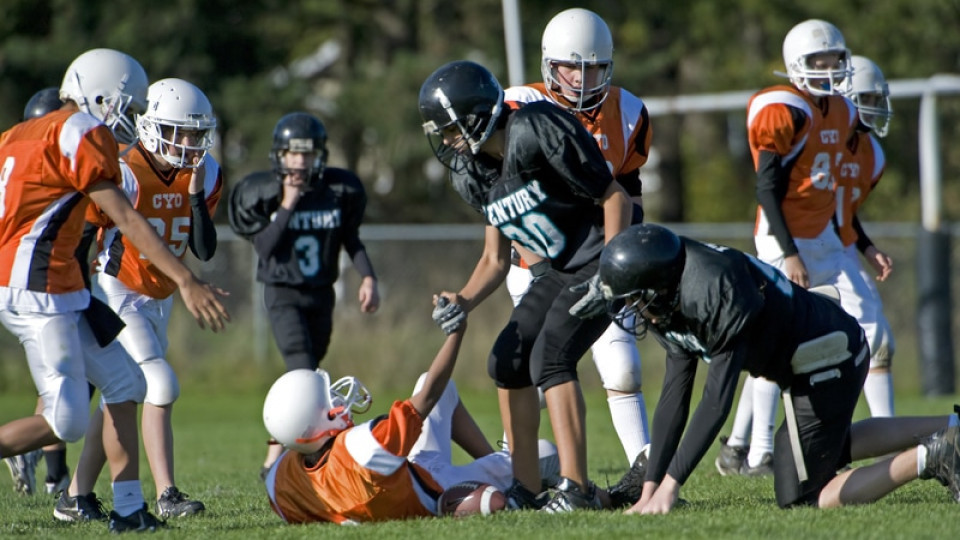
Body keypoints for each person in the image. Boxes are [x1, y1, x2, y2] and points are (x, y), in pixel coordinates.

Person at [0, 48, 230, 533]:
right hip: (40, 290)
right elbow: (124, 217)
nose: (131, 119)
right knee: (69, 423)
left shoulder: (14, 136)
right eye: (129, 106)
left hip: (61, 287)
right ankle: (92, 492)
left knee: (126, 383)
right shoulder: (81, 132)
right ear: (102, 98)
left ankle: (129, 511)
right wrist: (187, 280)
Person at [591, 223, 960, 514]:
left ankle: (933, 456)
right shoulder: (673, 290)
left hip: (827, 357)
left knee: (803, 497)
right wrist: (650, 488)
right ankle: (952, 428)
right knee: (827, 446)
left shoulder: (715, 290)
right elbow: (675, 396)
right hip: (816, 353)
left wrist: (670, 488)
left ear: (657, 287)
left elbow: (716, 402)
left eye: (635, 299)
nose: (632, 310)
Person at [418, 60, 633, 512]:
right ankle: (527, 488)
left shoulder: (536, 128)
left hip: (599, 256)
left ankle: (575, 489)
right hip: (557, 268)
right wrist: (464, 300)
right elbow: (496, 259)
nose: (447, 141)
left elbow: (615, 197)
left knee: (551, 355)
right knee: (507, 361)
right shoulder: (472, 173)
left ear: (476, 116)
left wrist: (614, 272)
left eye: (451, 128)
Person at [61, 78, 222, 520]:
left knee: (121, 393)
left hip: (160, 296)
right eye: (181, 133)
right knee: (159, 382)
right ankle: (167, 494)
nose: (191, 144)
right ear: (152, 128)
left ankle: (75, 496)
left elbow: (205, 249)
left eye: (196, 134)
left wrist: (192, 200)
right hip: (117, 290)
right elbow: (84, 233)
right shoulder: (125, 169)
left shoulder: (204, 172)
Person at [502, 7, 652, 473]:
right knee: (532, 369)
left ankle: (645, 468)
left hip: (597, 260)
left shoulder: (628, 112)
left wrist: (619, 267)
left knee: (622, 365)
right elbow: (500, 196)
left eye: (594, 66)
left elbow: (631, 193)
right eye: (572, 65)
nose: (583, 78)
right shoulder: (517, 106)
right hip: (536, 266)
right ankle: (513, 461)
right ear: (550, 64)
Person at [261, 299, 566, 523]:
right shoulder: (360, 449)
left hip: (408, 471)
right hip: (437, 488)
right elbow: (429, 395)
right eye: (331, 401)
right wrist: (456, 333)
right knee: (546, 453)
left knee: (426, 385)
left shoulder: (282, 482)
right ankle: (504, 466)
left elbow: (291, 439)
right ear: (319, 423)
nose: (340, 402)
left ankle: (495, 460)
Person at [718, 19, 860, 477]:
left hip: (822, 236)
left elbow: (833, 183)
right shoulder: (783, 109)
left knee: (833, 336)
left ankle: (740, 447)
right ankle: (759, 453)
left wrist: (854, 239)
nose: (829, 68)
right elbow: (766, 190)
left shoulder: (842, 110)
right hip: (785, 238)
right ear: (797, 65)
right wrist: (791, 252)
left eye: (834, 59)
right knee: (776, 341)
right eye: (819, 61)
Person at [227, 112, 380, 477]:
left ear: (319, 155)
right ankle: (277, 460)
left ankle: (289, 451)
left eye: (306, 154)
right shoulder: (269, 194)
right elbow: (263, 248)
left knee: (310, 374)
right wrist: (287, 203)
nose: (299, 161)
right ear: (279, 155)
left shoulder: (336, 191)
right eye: (292, 154)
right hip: (283, 292)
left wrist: (368, 277)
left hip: (321, 294)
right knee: (302, 369)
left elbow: (351, 240)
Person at [3, 87, 70, 497]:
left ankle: (53, 474)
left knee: (63, 385)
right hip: (43, 285)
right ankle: (54, 475)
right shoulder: (43, 174)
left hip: (42, 283)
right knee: (70, 389)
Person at [836, 55, 896, 417]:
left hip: (837, 246)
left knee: (878, 339)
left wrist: (867, 247)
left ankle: (743, 445)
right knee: (777, 342)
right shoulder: (823, 142)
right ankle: (752, 445)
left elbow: (844, 211)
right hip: (806, 247)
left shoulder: (870, 153)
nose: (874, 108)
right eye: (868, 99)